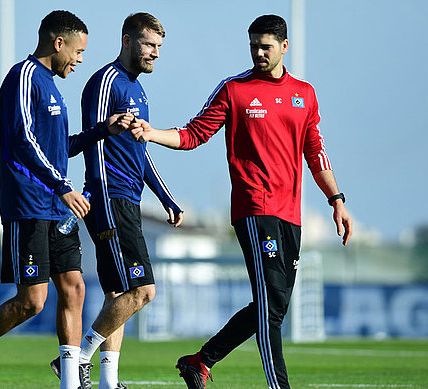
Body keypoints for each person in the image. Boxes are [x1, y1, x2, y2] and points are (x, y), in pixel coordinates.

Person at [131, 14, 353, 389]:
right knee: (270, 306)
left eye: (266, 46)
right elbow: (194, 134)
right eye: (253, 46)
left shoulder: (306, 93)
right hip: (254, 208)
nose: (258, 53)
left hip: (292, 214)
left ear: (284, 46)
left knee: (274, 307)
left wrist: (336, 200)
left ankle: (200, 361)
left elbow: (316, 152)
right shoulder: (235, 89)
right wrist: (153, 133)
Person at [0, 10, 138, 389]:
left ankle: (70, 382)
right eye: (77, 51)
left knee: (75, 287)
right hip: (28, 205)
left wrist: (100, 131)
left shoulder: (53, 87)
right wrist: (63, 186)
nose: (80, 59)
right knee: (32, 302)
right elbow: (24, 142)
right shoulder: (23, 78)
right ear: (58, 43)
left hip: (56, 207)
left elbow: (59, 149)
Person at [50, 12, 183, 389]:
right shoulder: (105, 81)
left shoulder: (139, 90)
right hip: (110, 198)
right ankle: (78, 361)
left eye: (159, 46)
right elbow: (93, 142)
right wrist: (101, 197)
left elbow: (140, 154)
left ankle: (109, 382)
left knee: (118, 294)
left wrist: (166, 198)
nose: (154, 53)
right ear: (127, 41)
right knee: (143, 291)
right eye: (147, 44)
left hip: (129, 200)